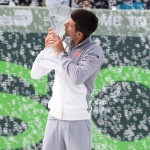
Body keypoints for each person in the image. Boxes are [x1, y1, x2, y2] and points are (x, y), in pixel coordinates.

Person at [31, 9, 104, 150]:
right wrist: (46, 50)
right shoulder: (62, 46)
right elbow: (36, 73)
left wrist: (61, 54)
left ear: (79, 34)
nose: (64, 26)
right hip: (54, 117)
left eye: (69, 24)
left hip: (77, 120)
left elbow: (77, 77)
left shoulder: (94, 51)